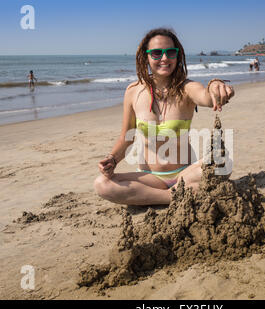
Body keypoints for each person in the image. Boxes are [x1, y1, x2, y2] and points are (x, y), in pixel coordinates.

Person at [94, 28, 234, 206]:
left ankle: (158, 196)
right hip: (149, 178)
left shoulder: (187, 88)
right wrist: (112, 159)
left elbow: (206, 96)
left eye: (170, 52)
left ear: (178, 55)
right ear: (146, 57)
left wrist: (215, 84)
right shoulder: (133, 91)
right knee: (102, 184)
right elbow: (126, 137)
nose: (164, 58)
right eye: (156, 53)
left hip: (186, 173)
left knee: (222, 163)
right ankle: (174, 196)